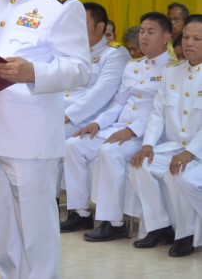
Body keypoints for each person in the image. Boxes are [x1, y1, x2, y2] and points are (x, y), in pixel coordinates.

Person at [0, 0, 90, 279]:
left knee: (36, 230)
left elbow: (80, 70)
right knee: (0, 226)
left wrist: (32, 72)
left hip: (29, 137)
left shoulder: (61, 4)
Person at [61, 12, 171, 241]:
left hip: (148, 135)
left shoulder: (172, 70)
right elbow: (119, 102)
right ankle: (80, 212)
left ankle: (114, 222)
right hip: (119, 127)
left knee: (109, 152)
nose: (144, 37)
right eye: (142, 31)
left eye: (151, 32)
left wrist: (132, 131)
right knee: (73, 145)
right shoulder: (134, 66)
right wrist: (97, 123)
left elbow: (160, 111)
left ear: (166, 37)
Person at [129, 15, 202, 257]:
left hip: (197, 150)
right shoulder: (173, 72)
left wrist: (190, 151)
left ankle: (186, 234)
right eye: (187, 38)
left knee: (178, 173)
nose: (189, 43)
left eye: (197, 39)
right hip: (174, 146)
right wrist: (148, 144)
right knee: (140, 164)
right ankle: (159, 226)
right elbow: (158, 112)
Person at [63, 3, 129, 138]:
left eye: (83, 23)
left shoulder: (115, 54)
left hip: (86, 118)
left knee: (47, 135)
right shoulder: (72, 51)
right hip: (60, 112)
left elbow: (102, 91)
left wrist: (68, 115)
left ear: (99, 27)